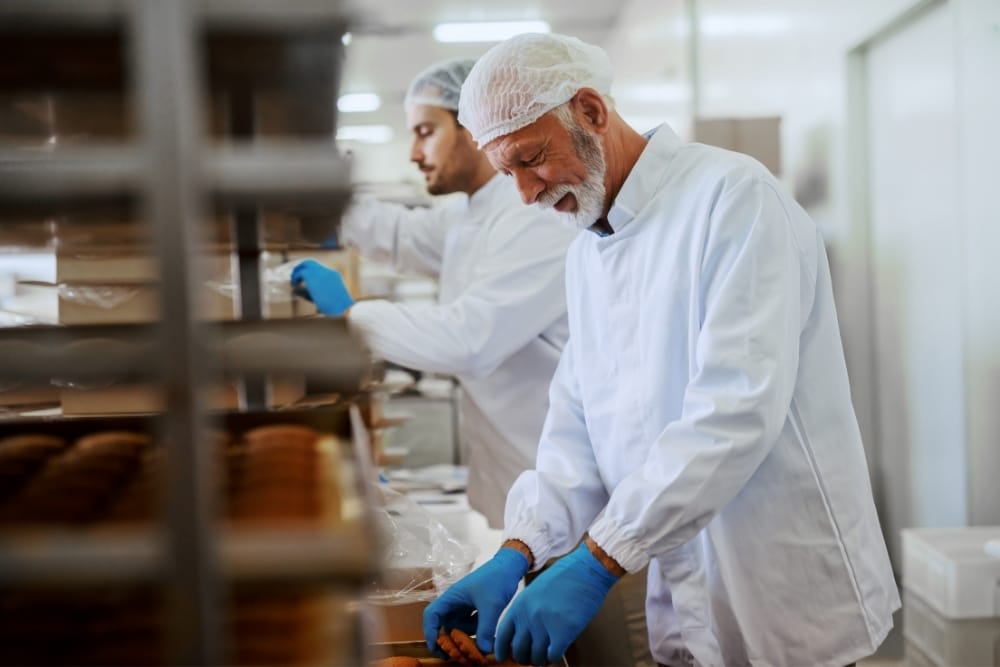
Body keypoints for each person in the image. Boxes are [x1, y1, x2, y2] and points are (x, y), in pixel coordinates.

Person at [423, 33, 900, 667]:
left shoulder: (732, 199)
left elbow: (734, 412)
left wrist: (598, 560)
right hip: (681, 594)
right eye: (506, 173)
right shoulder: (588, 249)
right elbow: (576, 426)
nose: (526, 193)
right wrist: (521, 547)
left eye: (530, 159)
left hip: (780, 588)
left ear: (591, 111)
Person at [291, 58, 576, 528]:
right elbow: (406, 234)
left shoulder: (532, 214)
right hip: (521, 491)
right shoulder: (473, 212)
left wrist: (354, 314)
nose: (413, 153)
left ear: (474, 128)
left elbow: (469, 339)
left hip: (566, 497)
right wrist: (330, 211)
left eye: (425, 132)